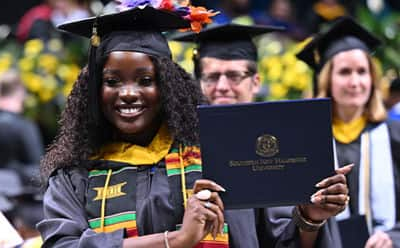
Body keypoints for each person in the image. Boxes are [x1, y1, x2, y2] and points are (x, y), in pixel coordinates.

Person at [37, 3, 350, 247]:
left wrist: (310, 218)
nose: (129, 93)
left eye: (146, 80)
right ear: (94, 89)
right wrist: (177, 240)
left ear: (168, 87)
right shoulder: (74, 174)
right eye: (112, 81)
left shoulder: (223, 159)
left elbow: (278, 241)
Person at [297, 16, 400, 247]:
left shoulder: (395, 136)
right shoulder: (306, 140)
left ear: (372, 79)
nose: (355, 82)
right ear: (327, 80)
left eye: (362, 71)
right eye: (344, 72)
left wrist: (393, 237)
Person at [172, 23, 283, 105]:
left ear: (255, 83)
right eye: (212, 77)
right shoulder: (183, 135)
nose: (222, 87)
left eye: (234, 76)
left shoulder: (277, 133)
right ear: (199, 82)